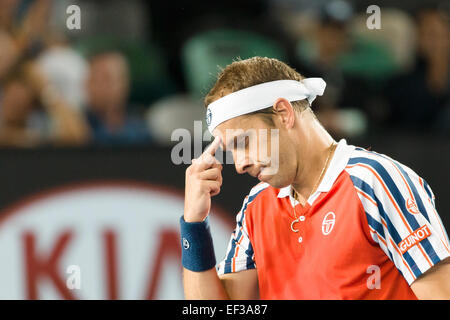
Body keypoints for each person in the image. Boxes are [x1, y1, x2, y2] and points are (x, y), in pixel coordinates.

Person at [180, 57, 450, 299]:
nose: (239, 165)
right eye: (231, 151)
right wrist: (194, 223)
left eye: (243, 142)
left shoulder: (374, 182)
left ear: (283, 114)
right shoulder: (256, 205)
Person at [84, 51, 151, 146]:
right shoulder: (77, 124)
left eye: (107, 79)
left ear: (125, 83)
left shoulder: (140, 124)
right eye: (94, 79)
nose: (100, 86)